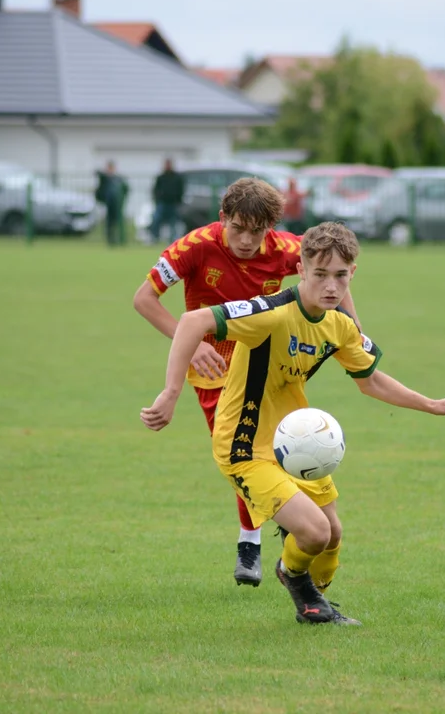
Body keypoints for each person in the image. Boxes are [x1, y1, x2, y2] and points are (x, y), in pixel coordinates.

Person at [140, 222, 445, 625]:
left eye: (340, 275)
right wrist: (171, 392)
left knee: (332, 536)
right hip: (244, 445)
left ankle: (309, 590)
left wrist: (432, 404)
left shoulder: (340, 325)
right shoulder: (270, 312)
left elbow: (370, 380)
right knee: (315, 532)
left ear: (353, 274)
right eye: (320, 274)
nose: (331, 286)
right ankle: (300, 589)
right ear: (300, 269)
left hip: (292, 441)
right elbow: (195, 320)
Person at [134, 178, 360, 588]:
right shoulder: (195, 246)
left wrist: (354, 330)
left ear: (271, 227)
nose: (247, 239)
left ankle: (283, 525)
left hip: (268, 360)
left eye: (257, 231)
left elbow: (332, 273)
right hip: (212, 363)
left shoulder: (290, 250)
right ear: (223, 218)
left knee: (273, 446)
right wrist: (189, 347)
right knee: (243, 447)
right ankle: (251, 540)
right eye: (238, 227)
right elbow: (143, 299)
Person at [150, 158, 185, 243]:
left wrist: (178, 200)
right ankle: (154, 237)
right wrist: (157, 200)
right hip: (163, 203)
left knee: (173, 222)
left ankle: (173, 239)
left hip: (173, 203)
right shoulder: (161, 177)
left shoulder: (177, 177)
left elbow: (181, 189)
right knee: (156, 220)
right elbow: (155, 190)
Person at [95, 161, 128, 247]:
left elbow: (126, 189)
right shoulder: (105, 179)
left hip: (118, 205)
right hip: (109, 204)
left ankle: (121, 240)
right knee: (109, 223)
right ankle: (110, 240)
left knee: (119, 222)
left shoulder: (118, 179)